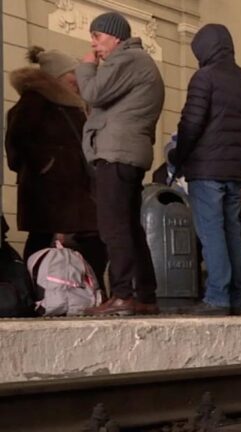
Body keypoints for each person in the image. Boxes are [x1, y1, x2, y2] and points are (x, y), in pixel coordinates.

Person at [76, 12, 165, 316]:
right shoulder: (138, 61)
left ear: (115, 37)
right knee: (129, 227)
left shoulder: (127, 59)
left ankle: (123, 295)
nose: (94, 44)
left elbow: (93, 93)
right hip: (127, 153)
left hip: (116, 153)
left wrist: (87, 66)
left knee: (113, 227)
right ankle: (145, 295)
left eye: (97, 36)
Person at [170, 24, 241, 315]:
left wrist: (178, 156)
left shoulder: (205, 77)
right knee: (232, 232)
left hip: (206, 168)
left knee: (211, 232)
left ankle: (217, 297)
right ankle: (236, 298)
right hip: (234, 170)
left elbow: (191, 123)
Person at [5, 46, 107, 289]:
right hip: (49, 190)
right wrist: (46, 166)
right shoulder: (35, 100)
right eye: (73, 74)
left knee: (90, 238)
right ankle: (37, 291)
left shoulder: (69, 104)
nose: (77, 81)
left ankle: (87, 289)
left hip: (73, 189)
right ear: (57, 76)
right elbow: (16, 142)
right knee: (46, 239)